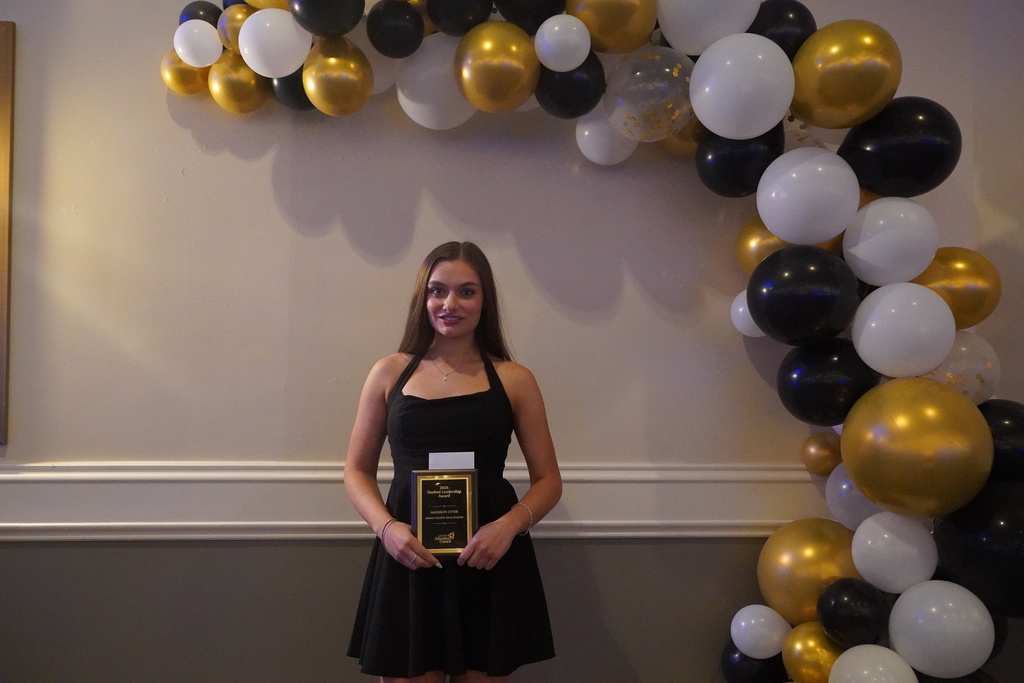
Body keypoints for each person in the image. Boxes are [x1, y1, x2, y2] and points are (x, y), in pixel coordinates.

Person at [345, 241, 562, 682]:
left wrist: (508, 527)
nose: (450, 304)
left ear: (486, 301)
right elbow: (356, 471)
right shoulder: (388, 372)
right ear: (422, 299)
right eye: (437, 290)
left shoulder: (515, 379)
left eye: (467, 291)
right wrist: (387, 530)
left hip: (488, 560)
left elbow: (548, 481)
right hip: (408, 557)